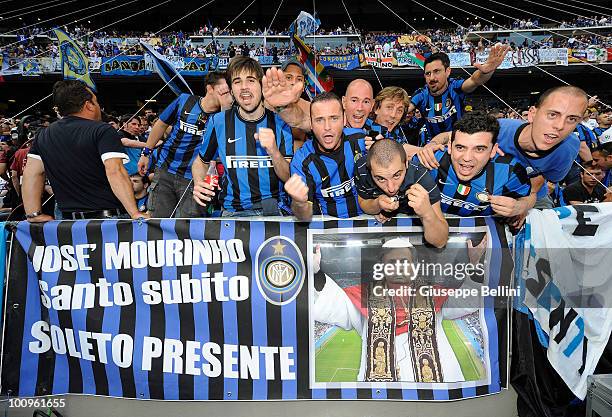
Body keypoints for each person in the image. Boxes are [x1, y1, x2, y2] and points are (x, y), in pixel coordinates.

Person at [313, 238, 479, 382]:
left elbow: (471, 301)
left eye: (404, 262)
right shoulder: (362, 296)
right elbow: (330, 305)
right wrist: (315, 272)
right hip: (384, 392)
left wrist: (475, 265)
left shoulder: (433, 293)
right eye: (391, 262)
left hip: (437, 385)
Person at [418, 86, 589, 213]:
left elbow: (541, 182)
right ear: (532, 114)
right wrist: (431, 146)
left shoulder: (568, 147)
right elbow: (452, 136)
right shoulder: (500, 129)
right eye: (552, 114)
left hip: (531, 195)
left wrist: (521, 208)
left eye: (572, 119)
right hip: (487, 188)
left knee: (542, 227)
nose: (559, 126)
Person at [22, 80, 146, 222]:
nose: (99, 106)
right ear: (89, 105)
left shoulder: (43, 134)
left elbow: (32, 173)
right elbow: (115, 171)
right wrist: (134, 212)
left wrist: (33, 214)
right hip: (107, 219)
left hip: (66, 222)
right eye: (96, 102)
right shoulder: (103, 130)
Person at [193, 56, 293, 217]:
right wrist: (199, 182)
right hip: (233, 213)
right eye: (237, 81)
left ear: (261, 86)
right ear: (231, 90)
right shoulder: (218, 122)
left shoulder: (281, 123)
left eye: (251, 80)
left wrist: (274, 152)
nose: (244, 87)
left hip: (274, 211)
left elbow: (289, 177)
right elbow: (201, 161)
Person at [137, 71, 232, 218]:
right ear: (210, 88)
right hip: (165, 170)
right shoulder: (184, 100)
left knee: (188, 227)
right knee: (158, 222)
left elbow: (226, 141)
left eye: (229, 92)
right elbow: (161, 124)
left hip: (195, 180)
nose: (227, 95)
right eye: (224, 90)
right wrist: (146, 153)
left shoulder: (224, 117)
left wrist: (226, 108)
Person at [422, 112, 532, 217]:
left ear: (493, 150)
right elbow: (406, 156)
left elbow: (531, 196)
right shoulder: (432, 159)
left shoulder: (510, 171)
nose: (467, 158)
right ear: (450, 146)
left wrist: (521, 207)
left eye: (479, 149)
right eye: (460, 147)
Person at [284, 92, 366, 221]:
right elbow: (304, 217)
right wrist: (300, 203)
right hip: (328, 231)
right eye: (319, 120)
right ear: (311, 124)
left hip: (369, 223)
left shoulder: (361, 141)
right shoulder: (302, 161)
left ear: (344, 119)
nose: (327, 127)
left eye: (334, 118)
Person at [355, 139, 448, 248]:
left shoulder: (419, 176)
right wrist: (377, 204)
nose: (391, 188)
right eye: (380, 179)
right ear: (370, 170)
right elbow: (363, 202)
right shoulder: (362, 169)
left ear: (407, 163)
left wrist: (427, 213)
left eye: (397, 175)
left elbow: (440, 241)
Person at [408, 46, 510, 140]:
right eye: (428, 74)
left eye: (437, 71)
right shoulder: (421, 94)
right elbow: (405, 108)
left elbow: (475, 80)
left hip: (457, 143)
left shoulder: (455, 86)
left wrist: (486, 71)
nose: (432, 78)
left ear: (447, 71)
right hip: (434, 147)